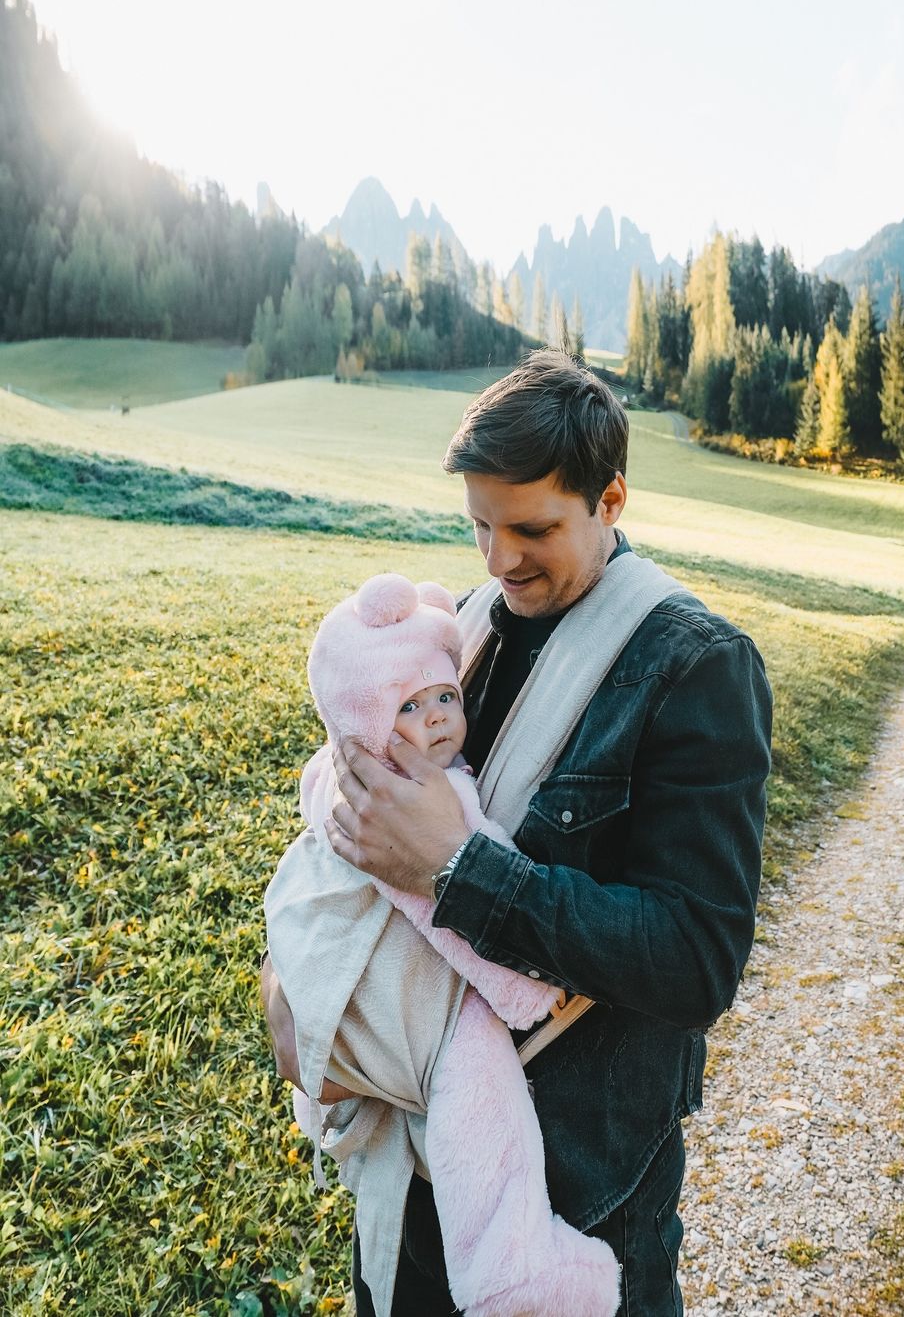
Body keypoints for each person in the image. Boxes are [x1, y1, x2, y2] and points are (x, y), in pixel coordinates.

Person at [266, 348, 772, 1315]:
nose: (498, 562)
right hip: (411, 1185)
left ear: (610, 499)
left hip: (578, 1202)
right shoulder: (454, 632)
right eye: (480, 526)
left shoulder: (697, 668)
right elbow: (346, 833)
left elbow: (697, 963)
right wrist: (292, 985)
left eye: (532, 529)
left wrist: (456, 868)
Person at [263, 571, 621, 1317]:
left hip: (350, 972)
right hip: (425, 982)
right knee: (482, 1104)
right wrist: (523, 988)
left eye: (444, 698)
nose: (434, 719)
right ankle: (511, 1272)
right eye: (407, 706)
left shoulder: (339, 768)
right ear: (362, 717)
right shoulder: (422, 794)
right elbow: (442, 905)